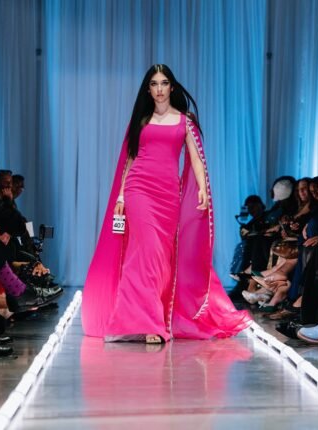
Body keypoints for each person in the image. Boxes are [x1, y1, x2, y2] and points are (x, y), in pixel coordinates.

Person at [82, 64, 250, 344]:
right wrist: (121, 195)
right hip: (138, 189)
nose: (159, 89)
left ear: (172, 87)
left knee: (161, 258)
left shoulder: (185, 121)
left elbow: (196, 159)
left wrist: (203, 189)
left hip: (168, 195)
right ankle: (147, 323)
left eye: (163, 83)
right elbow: (129, 161)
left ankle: (141, 317)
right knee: (145, 253)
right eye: (153, 84)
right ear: (148, 90)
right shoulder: (141, 121)